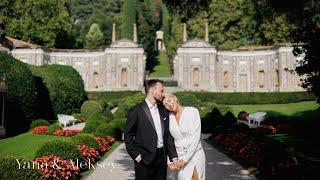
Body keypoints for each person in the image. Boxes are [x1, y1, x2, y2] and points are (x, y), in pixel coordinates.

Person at [124, 79, 179, 180]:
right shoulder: (136, 110)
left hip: (161, 159)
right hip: (144, 160)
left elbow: (167, 135)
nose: (163, 94)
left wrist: (173, 157)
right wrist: (136, 156)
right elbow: (128, 136)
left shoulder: (163, 110)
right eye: (161, 91)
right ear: (152, 90)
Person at [163, 94, 206, 180]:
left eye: (169, 101)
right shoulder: (168, 117)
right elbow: (168, 140)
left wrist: (185, 160)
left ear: (176, 99)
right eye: (165, 105)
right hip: (179, 157)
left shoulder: (192, 111)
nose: (169, 105)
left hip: (195, 154)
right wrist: (170, 160)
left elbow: (196, 138)